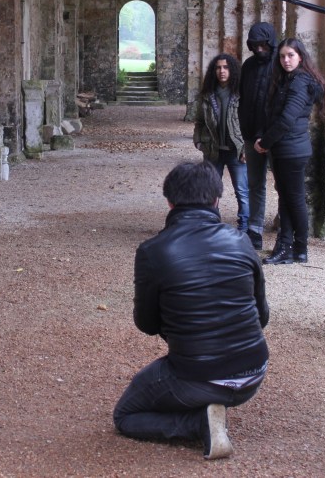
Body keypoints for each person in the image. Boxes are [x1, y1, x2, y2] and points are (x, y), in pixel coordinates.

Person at [113, 161, 270, 461]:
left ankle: (199, 423)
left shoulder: (153, 251)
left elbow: (146, 323)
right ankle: (208, 411)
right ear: (216, 200)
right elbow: (261, 315)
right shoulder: (242, 242)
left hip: (197, 376)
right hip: (253, 372)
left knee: (126, 415)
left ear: (170, 202)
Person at [257, 38, 325, 265]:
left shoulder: (300, 81)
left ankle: (296, 246)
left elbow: (287, 119)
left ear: (300, 57)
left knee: (294, 199)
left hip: (291, 149)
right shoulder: (290, 79)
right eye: (282, 56)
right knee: (288, 198)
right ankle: (290, 247)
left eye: (290, 55)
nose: (286, 60)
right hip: (286, 148)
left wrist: (265, 142)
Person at [193, 54, 248, 232]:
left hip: (236, 150)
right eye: (218, 68)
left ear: (232, 70)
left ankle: (245, 226)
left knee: (241, 190)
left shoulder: (241, 93)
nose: (222, 71)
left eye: (225, 67)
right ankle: (212, 224)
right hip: (213, 149)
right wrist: (199, 140)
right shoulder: (207, 94)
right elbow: (200, 121)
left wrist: (246, 148)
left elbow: (249, 122)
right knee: (211, 189)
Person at [238, 22, 278, 251]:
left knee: (282, 186)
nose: (259, 49)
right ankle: (255, 230)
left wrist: (270, 135)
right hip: (251, 135)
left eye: (263, 44)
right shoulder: (249, 66)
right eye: (255, 45)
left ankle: (286, 228)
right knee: (255, 184)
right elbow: (244, 98)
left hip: (274, 136)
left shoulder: (279, 66)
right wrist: (245, 133)